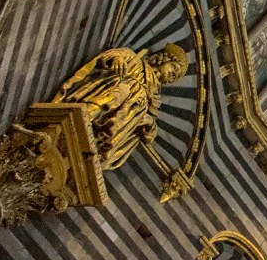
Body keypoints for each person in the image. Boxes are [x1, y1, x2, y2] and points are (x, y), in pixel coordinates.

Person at [52, 44, 188, 169]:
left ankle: (97, 144)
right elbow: (110, 55)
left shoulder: (154, 96)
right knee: (120, 93)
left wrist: (149, 122)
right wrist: (117, 59)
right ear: (163, 59)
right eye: (173, 67)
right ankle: (82, 118)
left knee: (129, 117)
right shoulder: (134, 59)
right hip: (110, 94)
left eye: (174, 76)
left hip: (121, 122)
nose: (172, 74)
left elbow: (149, 136)